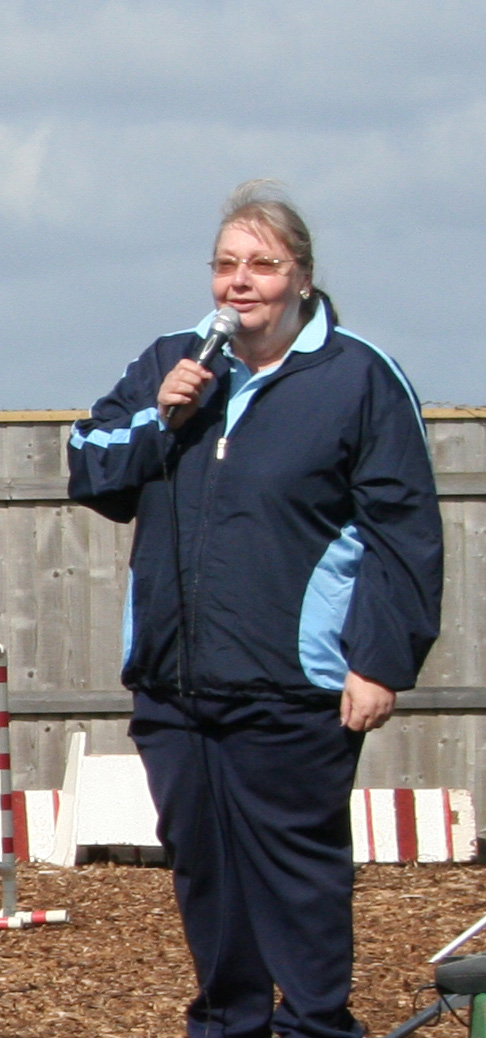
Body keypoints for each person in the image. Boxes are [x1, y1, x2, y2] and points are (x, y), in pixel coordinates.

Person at [67, 180, 443, 1038]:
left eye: (263, 265)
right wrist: (163, 419)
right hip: (175, 684)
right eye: (227, 265)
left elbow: (406, 536)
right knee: (206, 874)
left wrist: (380, 662)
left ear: (302, 277)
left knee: (297, 876)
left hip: (294, 685)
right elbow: (89, 465)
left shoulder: (358, 378)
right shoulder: (173, 360)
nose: (242, 283)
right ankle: (228, 1023)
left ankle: (314, 1024)